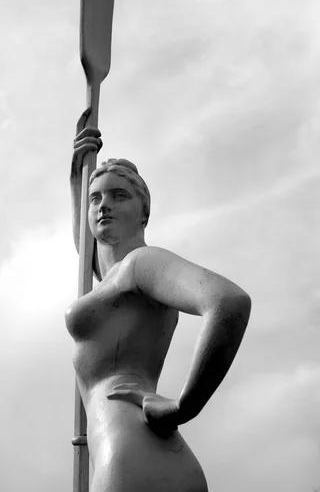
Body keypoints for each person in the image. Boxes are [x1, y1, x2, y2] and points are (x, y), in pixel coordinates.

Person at [65, 108, 251, 492]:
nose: (104, 205)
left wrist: (184, 406)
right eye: (95, 198)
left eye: (120, 196)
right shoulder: (112, 281)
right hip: (137, 454)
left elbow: (228, 302)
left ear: (144, 211)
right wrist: (76, 178)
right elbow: (87, 252)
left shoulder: (143, 264)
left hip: (132, 455)